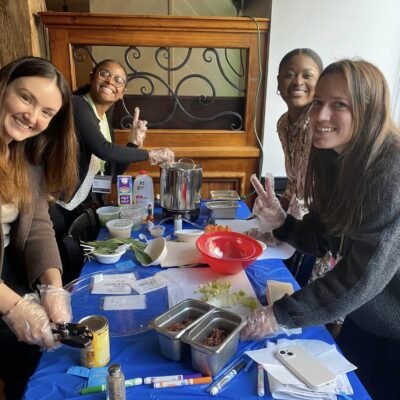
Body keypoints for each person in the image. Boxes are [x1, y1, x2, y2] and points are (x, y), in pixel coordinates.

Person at [240, 59, 400, 399]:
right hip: (365, 316)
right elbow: (324, 238)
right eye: (318, 102)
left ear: (369, 110)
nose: (320, 115)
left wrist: (279, 315)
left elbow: (363, 276)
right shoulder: (336, 158)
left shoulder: (392, 172)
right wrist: (282, 223)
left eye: (339, 105)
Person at [49, 59, 174, 278]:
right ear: (92, 77)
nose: (110, 81)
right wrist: (150, 155)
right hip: (59, 208)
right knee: (64, 273)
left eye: (118, 80)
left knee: (84, 270)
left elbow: (113, 172)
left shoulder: (105, 123)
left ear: (121, 93)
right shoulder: (77, 105)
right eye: (104, 74)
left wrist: (134, 142)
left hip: (85, 210)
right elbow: (103, 149)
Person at [0, 57, 77, 399]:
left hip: (8, 272)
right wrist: (15, 308)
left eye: (47, 112)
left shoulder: (21, 155)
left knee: (32, 366)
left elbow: (38, 227)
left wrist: (53, 289)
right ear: (3, 87)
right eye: (26, 98)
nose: (32, 118)